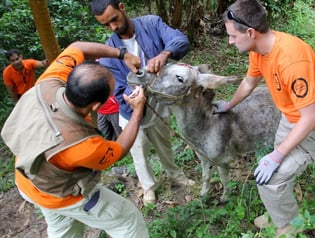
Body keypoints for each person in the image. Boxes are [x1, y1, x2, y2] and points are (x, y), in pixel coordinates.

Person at [1, 41, 149, 237]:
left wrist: (123, 54)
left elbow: (78, 47)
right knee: (128, 220)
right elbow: (119, 150)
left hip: (27, 181)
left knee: (63, 230)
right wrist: (137, 110)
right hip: (63, 195)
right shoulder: (82, 144)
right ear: (96, 106)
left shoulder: (49, 81)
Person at [217, 0, 315, 237]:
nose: (230, 41)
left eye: (232, 36)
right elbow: (249, 82)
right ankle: (278, 213)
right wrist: (229, 104)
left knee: (273, 178)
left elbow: (310, 118)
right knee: (272, 172)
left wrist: (277, 154)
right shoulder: (259, 50)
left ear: (250, 32)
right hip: (291, 117)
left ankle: (288, 227)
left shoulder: (292, 60)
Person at [91, 0, 195, 206]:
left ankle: (175, 175)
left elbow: (180, 40)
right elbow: (119, 90)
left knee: (164, 144)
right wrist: (132, 96)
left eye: (114, 20)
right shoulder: (109, 53)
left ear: (122, 7)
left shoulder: (151, 23)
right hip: (132, 114)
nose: (113, 27)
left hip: (159, 105)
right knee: (139, 152)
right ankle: (148, 187)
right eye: (106, 25)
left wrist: (165, 54)